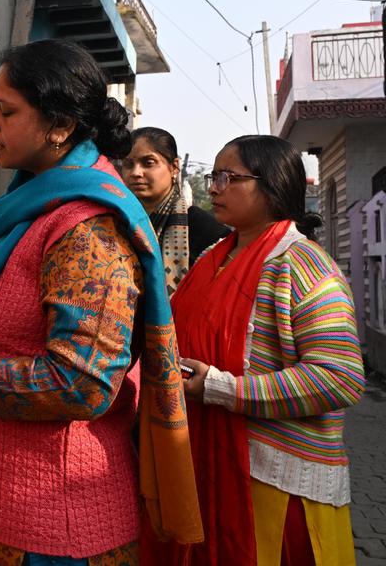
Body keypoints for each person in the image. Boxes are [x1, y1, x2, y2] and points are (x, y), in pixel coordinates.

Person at [0, 39, 202, 566]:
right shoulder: (37, 207)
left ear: (60, 127)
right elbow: (8, 319)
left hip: (55, 524)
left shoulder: (88, 229)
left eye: (6, 110)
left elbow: (80, 383)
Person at [148, 135, 364, 565]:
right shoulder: (214, 255)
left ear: (273, 184)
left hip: (278, 488)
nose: (213, 188)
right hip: (208, 467)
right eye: (214, 176)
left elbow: (339, 377)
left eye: (229, 177)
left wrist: (219, 387)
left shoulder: (304, 265)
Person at [119, 126, 228, 294]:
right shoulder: (117, 223)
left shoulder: (205, 230)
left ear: (174, 167)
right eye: (128, 164)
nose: (136, 172)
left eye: (148, 163)